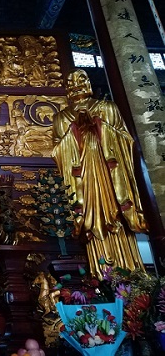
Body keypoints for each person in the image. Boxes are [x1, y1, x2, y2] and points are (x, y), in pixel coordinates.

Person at [52, 69, 148, 279]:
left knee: (117, 216)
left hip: (110, 173)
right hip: (83, 176)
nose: (76, 84)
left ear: (89, 83)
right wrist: (75, 130)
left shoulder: (107, 107)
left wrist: (99, 125)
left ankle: (132, 273)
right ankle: (100, 275)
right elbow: (58, 151)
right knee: (90, 219)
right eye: (71, 82)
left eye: (81, 79)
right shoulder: (61, 117)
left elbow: (126, 140)